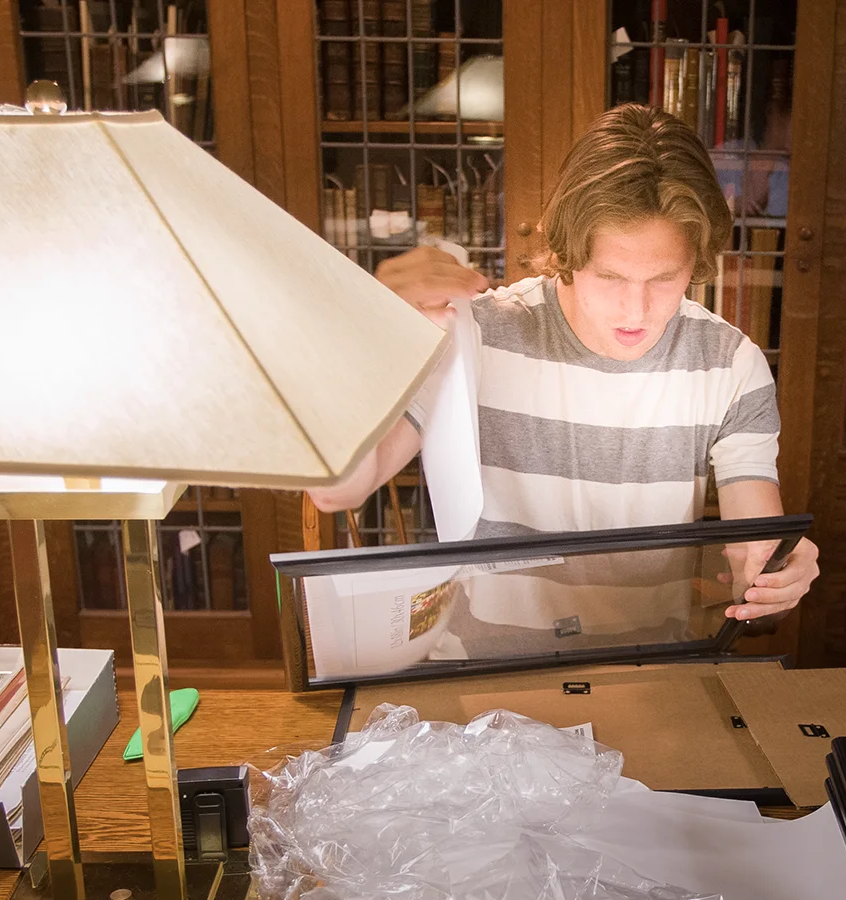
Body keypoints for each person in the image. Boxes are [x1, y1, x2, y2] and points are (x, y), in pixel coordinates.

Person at [310, 104, 819, 625]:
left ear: (697, 261)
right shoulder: (476, 336)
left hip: (653, 666)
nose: (636, 311)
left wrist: (775, 577)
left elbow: (756, 550)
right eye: (612, 277)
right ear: (570, 252)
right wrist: (374, 332)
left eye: (665, 279)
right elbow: (336, 487)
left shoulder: (730, 363)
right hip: (487, 664)